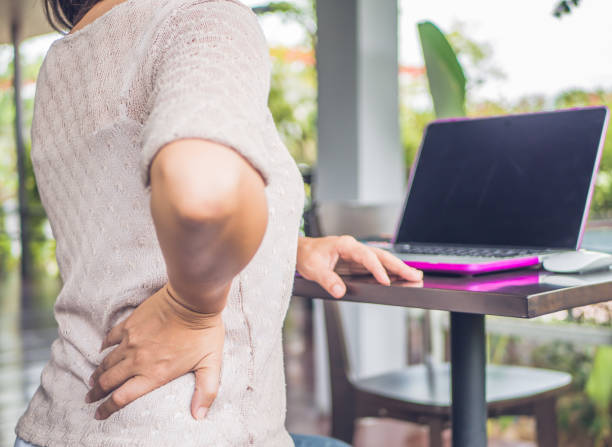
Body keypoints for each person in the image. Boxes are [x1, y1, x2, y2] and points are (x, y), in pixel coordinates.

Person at [14, 0, 423, 446]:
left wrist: (293, 248)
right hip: (187, 427)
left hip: (53, 428)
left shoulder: (63, 59)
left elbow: (119, 231)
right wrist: (190, 309)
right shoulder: (200, 17)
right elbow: (204, 193)